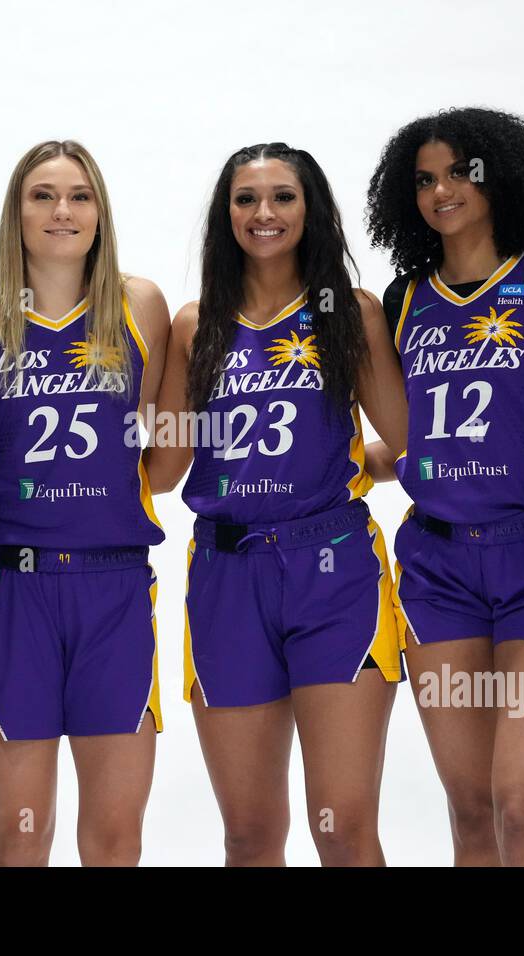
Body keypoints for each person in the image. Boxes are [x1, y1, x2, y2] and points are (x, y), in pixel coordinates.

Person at [147, 143, 406, 866]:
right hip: (229, 577)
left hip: (335, 573)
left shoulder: (348, 312)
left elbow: (409, 442)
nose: (263, 213)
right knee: (250, 835)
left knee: (342, 828)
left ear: (311, 207)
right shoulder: (197, 324)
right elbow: (166, 467)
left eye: (283, 196)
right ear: (225, 213)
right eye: (246, 198)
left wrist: (348, 470)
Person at [362, 108, 524, 865]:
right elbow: (418, 437)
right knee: (469, 812)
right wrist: (362, 461)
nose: (441, 191)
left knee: (523, 807)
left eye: (461, 172)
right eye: (425, 179)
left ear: (502, 174)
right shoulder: (401, 301)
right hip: (440, 570)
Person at [0, 140, 171, 866]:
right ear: (15, 211)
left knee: (113, 839)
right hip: (13, 589)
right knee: (19, 832)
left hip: (113, 584)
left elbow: (157, 458)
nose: (61, 210)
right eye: (42, 195)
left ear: (100, 212)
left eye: (78, 195)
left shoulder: (140, 304)